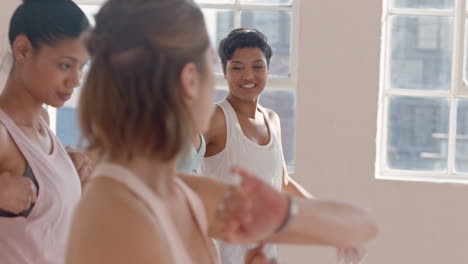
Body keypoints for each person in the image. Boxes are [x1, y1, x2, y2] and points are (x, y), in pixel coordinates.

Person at [66, 1, 377, 264]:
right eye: (220, 67)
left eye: (257, 66)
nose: (245, 76)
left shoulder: (175, 192)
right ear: (190, 79)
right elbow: (360, 225)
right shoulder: (122, 216)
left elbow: (359, 226)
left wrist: (286, 212)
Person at [201, 28, 314, 263]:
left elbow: (282, 182)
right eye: (237, 67)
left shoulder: (272, 119)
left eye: (257, 66)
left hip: (263, 255)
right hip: (222, 256)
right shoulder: (215, 118)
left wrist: (327, 221)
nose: (248, 75)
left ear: (268, 69)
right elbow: (174, 162)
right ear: (224, 71)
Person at [0, 0, 90, 263]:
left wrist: (67, 169)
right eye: (65, 65)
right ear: (23, 49)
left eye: (81, 67)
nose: (76, 80)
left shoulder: (42, 119)